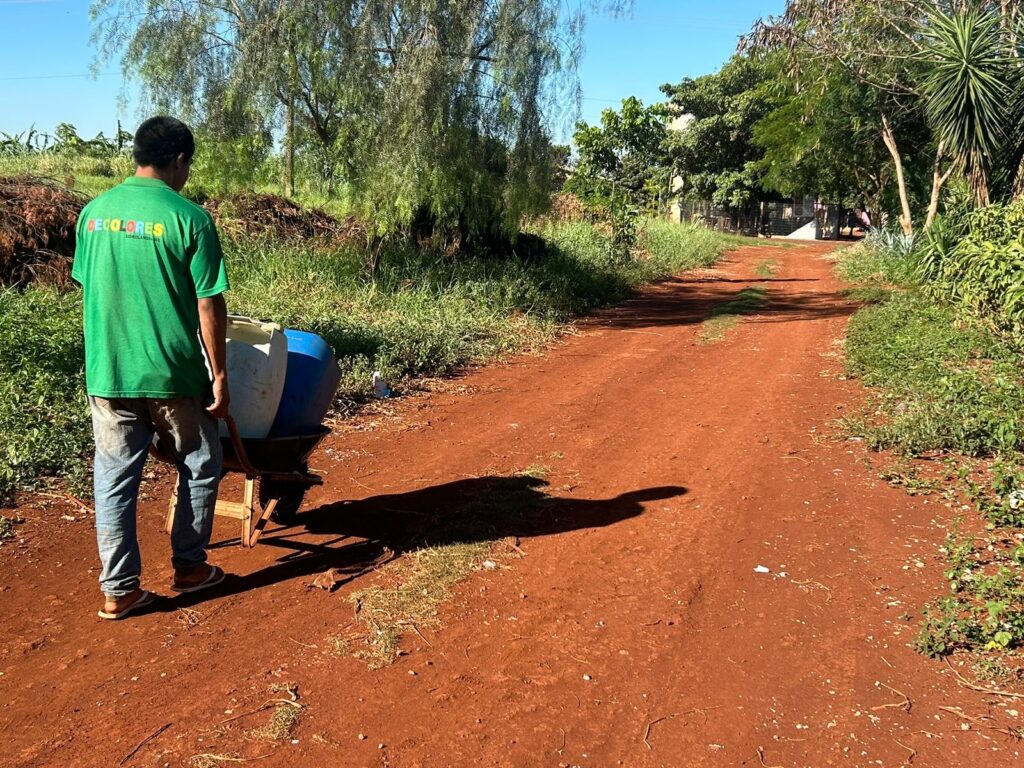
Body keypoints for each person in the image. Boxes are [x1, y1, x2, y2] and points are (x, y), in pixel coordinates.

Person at [72, 116, 231, 620]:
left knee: (114, 478)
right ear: (179, 160)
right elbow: (210, 305)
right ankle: (189, 567)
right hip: (172, 374)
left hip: (107, 372)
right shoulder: (191, 218)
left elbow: (89, 284)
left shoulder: (93, 214)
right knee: (202, 462)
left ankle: (119, 590)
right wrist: (220, 376)